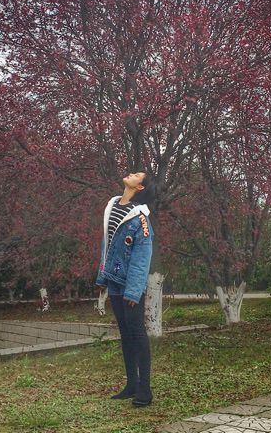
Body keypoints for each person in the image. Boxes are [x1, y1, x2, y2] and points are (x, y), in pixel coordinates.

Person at [95, 170, 156, 407]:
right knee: (126, 334)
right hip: (114, 282)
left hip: (131, 286)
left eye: (137, 175)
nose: (132, 173)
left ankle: (145, 390)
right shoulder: (112, 205)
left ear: (140, 187)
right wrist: (102, 277)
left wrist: (134, 290)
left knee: (137, 334)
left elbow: (142, 255)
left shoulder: (141, 217)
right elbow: (107, 245)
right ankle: (131, 384)